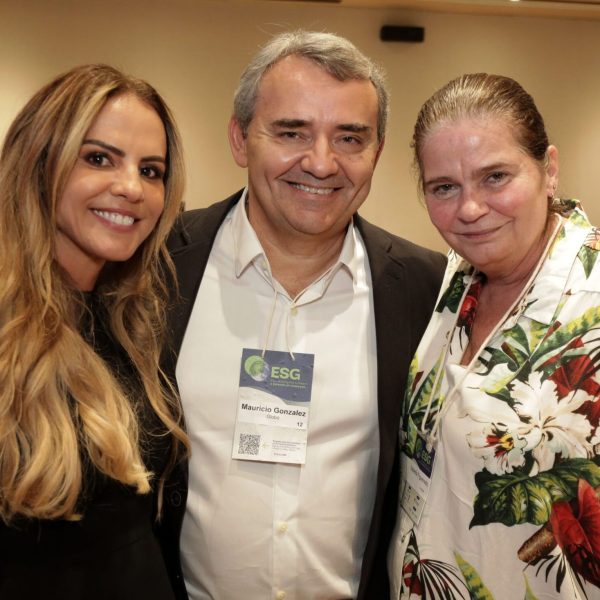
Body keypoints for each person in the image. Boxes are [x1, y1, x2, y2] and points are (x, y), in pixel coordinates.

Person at [162, 30, 445, 600]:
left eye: (349, 138)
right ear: (241, 139)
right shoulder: (158, 263)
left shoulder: (426, 287)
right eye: (292, 132)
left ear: (377, 153)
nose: (321, 162)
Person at [387, 73, 600, 599]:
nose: (470, 209)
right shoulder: (455, 283)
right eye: (444, 187)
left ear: (549, 169)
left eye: (495, 177)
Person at [0, 64, 189, 599]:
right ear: (39, 164)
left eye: (151, 171)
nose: (131, 188)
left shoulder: (131, 323)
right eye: (98, 158)